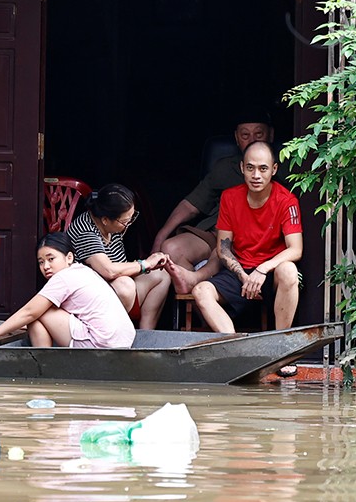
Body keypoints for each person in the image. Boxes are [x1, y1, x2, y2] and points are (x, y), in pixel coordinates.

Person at [170, 141, 304, 369]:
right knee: (201, 291)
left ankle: (282, 351)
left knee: (289, 270)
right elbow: (223, 247)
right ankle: (237, 350)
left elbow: (295, 249)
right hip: (239, 269)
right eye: (250, 168)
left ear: (274, 170)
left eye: (263, 168)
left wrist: (263, 269)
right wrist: (243, 274)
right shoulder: (230, 197)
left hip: (270, 272)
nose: (256, 175)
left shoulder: (286, 200)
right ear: (241, 168)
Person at [152, 118, 273, 276]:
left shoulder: (284, 168)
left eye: (258, 134)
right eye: (245, 135)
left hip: (256, 239)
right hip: (216, 233)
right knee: (171, 248)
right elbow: (191, 205)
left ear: (270, 135)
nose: (251, 141)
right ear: (236, 137)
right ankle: (196, 290)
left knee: (224, 251)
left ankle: (203, 284)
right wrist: (160, 236)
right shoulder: (224, 168)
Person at [0, 234, 134, 348]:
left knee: (37, 314)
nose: (46, 267)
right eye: (41, 262)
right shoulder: (83, 271)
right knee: (39, 311)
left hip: (101, 343)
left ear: (69, 257)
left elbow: (30, 312)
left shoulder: (63, 277)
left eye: (51, 259)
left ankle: (45, 367)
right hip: (124, 341)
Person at [65, 183, 172, 329]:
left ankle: (146, 334)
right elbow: (109, 271)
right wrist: (145, 264)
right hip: (88, 300)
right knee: (124, 286)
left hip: (110, 292)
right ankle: (112, 335)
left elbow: (119, 266)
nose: (128, 224)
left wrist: (151, 265)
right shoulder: (86, 232)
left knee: (161, 275)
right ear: (105, 220)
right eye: (124, 221)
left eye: (131, 217)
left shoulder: (111, 227)